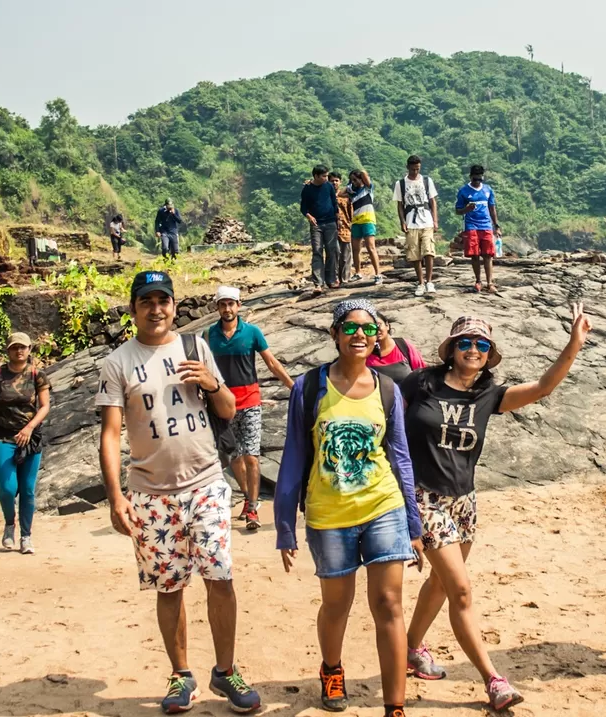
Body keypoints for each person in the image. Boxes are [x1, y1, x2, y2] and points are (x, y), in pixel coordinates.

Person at [402, 309, 592, 711]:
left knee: (440, 583)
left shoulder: (488, 395)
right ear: (451, 349)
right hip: (425, 498)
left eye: (481, 344)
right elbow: (379, 399)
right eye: (466, 343)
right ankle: (494, 679)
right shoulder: (421, 383)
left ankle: (411, 648)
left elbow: (542, 387)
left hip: (465, 502)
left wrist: (574, 343)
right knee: (462, 590)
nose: (473, 349)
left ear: (490, 354)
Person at [96, 270, 261, 714]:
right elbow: (111, 436)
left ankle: (225, 672)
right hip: (151, 494)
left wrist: (210, 381)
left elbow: (227, 408)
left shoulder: (196, 347)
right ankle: (181, 676)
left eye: (163, 301)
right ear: (133, 309)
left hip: (206, 482)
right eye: (146, 301)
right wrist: (116, 498)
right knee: (169, 587)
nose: (156, 309)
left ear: (173, 306)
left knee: (220, 576)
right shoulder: (117, 363)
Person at [274, 299, 424, 717]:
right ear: (335, 334)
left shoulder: (388, 388)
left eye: (369, 329)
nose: (361, 335)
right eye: (351, 328)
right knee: (337, 604)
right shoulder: (308, 387)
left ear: (379, 337)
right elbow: (294, 455)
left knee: (389, 604)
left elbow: (400, 458)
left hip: (383, 506)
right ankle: (332, 669)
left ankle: (395, 705)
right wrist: (285, 524)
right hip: (329, 514)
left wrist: (413, 523)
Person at [204, 285, 295, 531]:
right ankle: (247, 496)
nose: (227, 308)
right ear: (217, 308)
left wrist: (292, 386)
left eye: (231, 304)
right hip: (222, 405)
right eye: (223, 304)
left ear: (239, 306)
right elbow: (203, 368)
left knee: (251, 457)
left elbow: (272, 362)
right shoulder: (208, 335)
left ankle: (253, 509)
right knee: (234, 457)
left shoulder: (252, 332)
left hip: (251, 401)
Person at [0, 332, 51, 555]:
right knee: (8, 489)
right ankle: (10, 524)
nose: (19, 351)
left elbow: (45, 406)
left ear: (29, 349)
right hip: (3, 438)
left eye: (23, 347)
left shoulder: (37, 375)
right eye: (14, 347)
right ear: (8, 350)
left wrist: (29, 428)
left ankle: (26, 537)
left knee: (28, 490)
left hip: (30, 440)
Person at [394, 155, 439, 296]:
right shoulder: (400, 184)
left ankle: (429, 281)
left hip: (426, 219)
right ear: (407, 167)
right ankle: (420, 282)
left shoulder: (426, 181)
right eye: (413, 169)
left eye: (418, 169)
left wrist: (435, 220)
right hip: (411, 221)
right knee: (414, 254)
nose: (415, 172)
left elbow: (432, 202)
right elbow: (400, 205)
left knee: (428, 251)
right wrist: (402, 221)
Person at [455, 165, 501, 293]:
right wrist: (466, 209)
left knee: (488, 255)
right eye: (475, 179)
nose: (477, 182)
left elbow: (492, 208)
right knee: (474, 255)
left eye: (479, 179)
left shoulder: (488, 190)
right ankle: (478, 281)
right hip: (471, 225)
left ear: (482, 178)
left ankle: (490, 282)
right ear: (470, 177)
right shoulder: (463, 191)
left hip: (486, 225)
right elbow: (458, 211)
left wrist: (496, 225)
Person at [300, 165, 340, 294]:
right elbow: (303, 207)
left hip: (330, 222)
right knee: (317, 251)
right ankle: (318, 283)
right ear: (316, 176)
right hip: (316, 224)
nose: (326, 178)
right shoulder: (307, 189)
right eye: (323, 176)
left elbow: (334, 202)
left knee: (331, 251)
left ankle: (331, 280)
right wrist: (309, 216)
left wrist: (337, 217)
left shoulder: (328, 186)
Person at [343, 170, 383, 285]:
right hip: (356, 222)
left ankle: (377, 274)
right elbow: (340, 193)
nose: (354, 182)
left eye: (356, 179)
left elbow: (364, 173)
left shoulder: (367, 189)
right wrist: (349, 186)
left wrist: (359, 173)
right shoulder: (352, 193)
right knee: (355, 249)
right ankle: (358, 272)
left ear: (361, 179)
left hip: (368, 221)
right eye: (352, 180)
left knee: (371, 248)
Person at [366, 313, 428, 383]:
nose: (376, 330)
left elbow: (422, 374)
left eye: (378, 325)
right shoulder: (363, 354)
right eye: (370, 327)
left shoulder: (403, 346)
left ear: (387, 325)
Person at [329, 172, 354, 286]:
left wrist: (351, 224)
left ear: (340, 182)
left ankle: (345, 279)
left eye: (336, 180)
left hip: (345, 228)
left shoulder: (345, 196)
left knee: (346, 255)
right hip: (331, 228)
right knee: (334, 254)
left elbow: (350, 211)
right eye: (332, 180)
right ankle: (334, 279)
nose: (334, 182)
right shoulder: (326, 195)